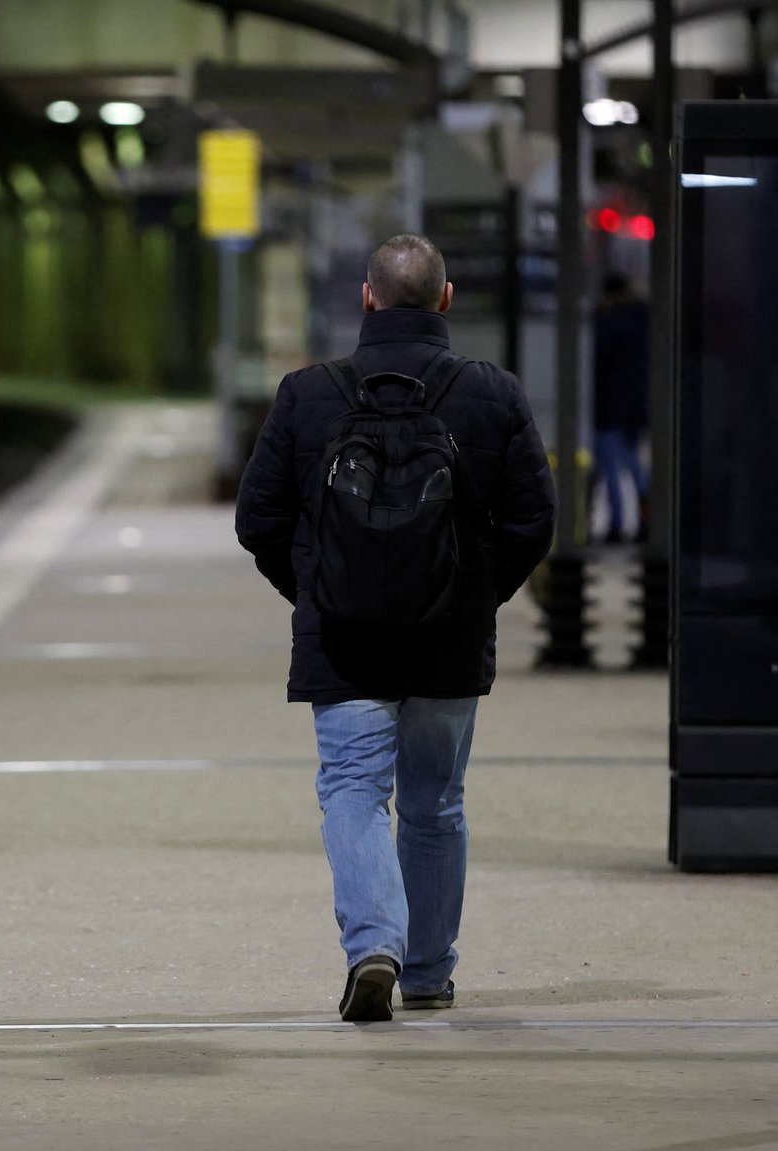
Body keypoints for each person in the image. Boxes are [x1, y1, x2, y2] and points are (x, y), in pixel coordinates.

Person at [234, 234, 557, 1022]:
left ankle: (374, 943)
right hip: (448, 642)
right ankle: (426, 972)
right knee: (435, 803)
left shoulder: (308, 394)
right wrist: (477, 594)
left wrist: (314, 590)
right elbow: (533, 521)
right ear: (445, 300)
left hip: (342, 642)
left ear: (368, 299)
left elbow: (257, 519)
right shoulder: (492, 393)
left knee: (352, 790)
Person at [593, 271, 652, 544]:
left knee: (612, 471)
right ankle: (645, 520)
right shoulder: (643, 319)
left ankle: (617, 526)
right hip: (635, 407)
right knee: (636, 469)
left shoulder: (611, 323)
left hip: (610, 407)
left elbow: (600, 364)